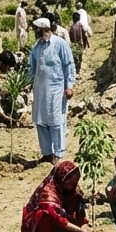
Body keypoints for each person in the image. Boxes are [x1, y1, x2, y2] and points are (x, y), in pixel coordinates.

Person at [8, 160, 92, 232]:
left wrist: (84, 227)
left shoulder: (74, 191)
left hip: (61, 221)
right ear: (61, 177)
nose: (72, 186)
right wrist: (80, 231)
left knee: (75, 208)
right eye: (69, 182)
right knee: (47, 217)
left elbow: (81, 212)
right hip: (40, 223)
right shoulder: (48, 191)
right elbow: (58, 219)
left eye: (74, 183)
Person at [28, 17, 76, 163]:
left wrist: (69, 86)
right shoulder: (36, 47)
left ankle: (58, 154)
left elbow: (69, 65)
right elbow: (31, 69)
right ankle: (47, 153)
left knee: (56, 121)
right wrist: (23, 83)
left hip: (56, 90)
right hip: (40, 90)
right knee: (41, 122)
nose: (37, 33)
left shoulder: (60, 44)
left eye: (39, 30)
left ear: (46, 30)